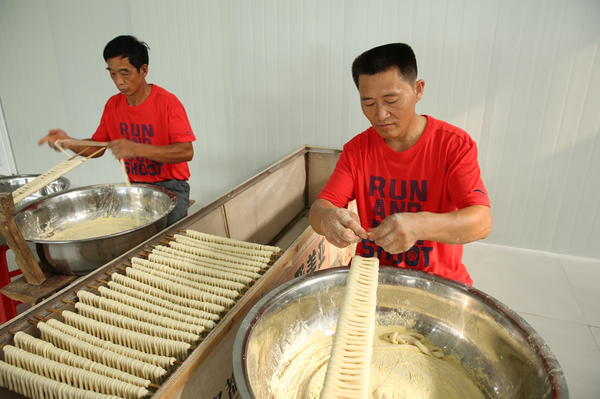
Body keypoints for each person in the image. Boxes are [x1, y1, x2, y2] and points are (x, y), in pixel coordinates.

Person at [309, 43, 492, 285]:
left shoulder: (453, 145)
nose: (380, 115)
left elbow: (481, 222)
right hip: (371, 278)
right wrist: (329, 219)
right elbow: (319, 209)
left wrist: (419, 225)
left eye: (391, 100)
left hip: (438, 281)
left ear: (418, 90)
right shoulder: (357, 150)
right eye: (369, 103)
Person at [38, 35, 195, 226]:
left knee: (168, 244)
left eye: (125, 73)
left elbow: (186, 151)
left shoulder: (167, 103)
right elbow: (97, 147)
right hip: (135, 188)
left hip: (171, 187)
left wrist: (137, 149)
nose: (119, 81)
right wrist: (69, 142)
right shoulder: (113, 106)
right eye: (112, 73)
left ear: (143, 70)